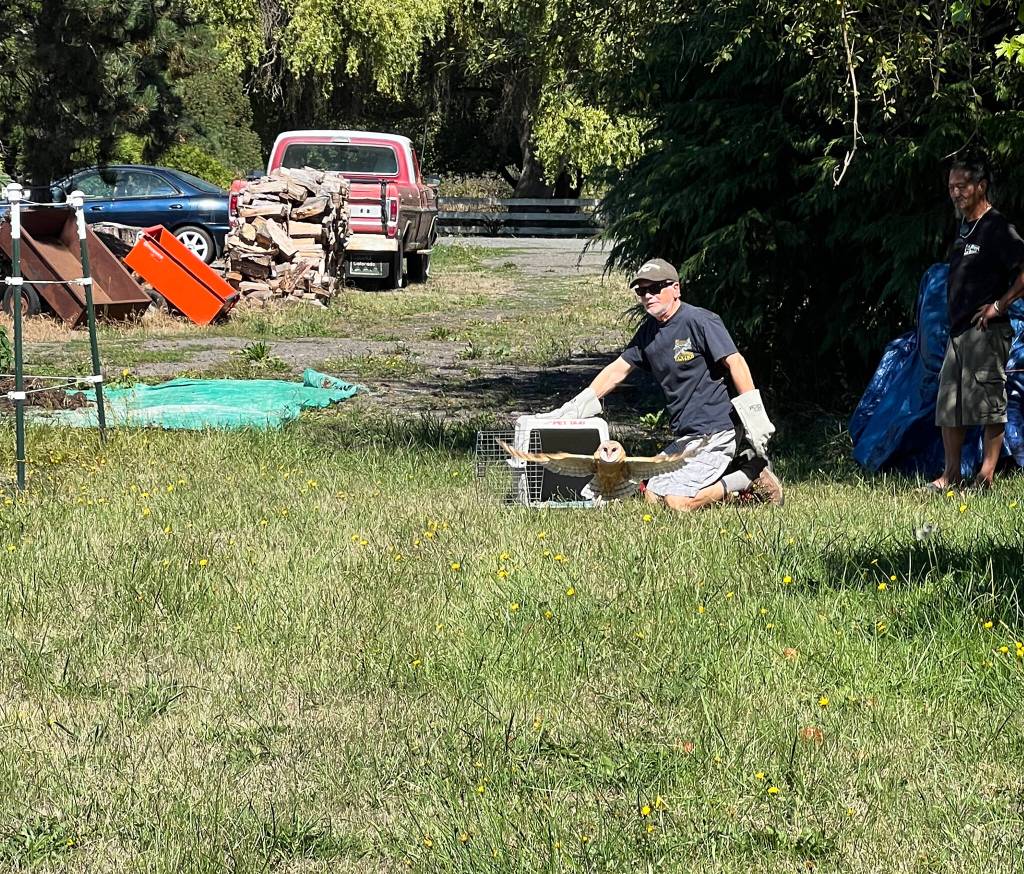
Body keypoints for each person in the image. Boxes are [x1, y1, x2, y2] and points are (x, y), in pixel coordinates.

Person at [541, 258, 783, 510]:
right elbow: (616, 371)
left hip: (716, 431)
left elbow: (736, 363)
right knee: (653, 497)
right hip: (686, 437)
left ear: (676, 289)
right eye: (641, 291)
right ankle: (731, 471)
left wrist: (753, 415)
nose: (648, 295)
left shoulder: (700, 321)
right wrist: (575, 408)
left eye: (655, 288)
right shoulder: (648, 333)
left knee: (678, 503)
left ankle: (751, 472)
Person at [928, 155, 1024, 491]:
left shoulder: (997, 227)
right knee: (950, 406)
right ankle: (950, 476)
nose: (955, 193)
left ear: (980, 186)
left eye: (961, 186)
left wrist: (999, 305)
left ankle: (985, 476)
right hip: (959, 332)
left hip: (986, 332)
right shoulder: (964, 228)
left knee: (988, 404)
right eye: (951, 187)